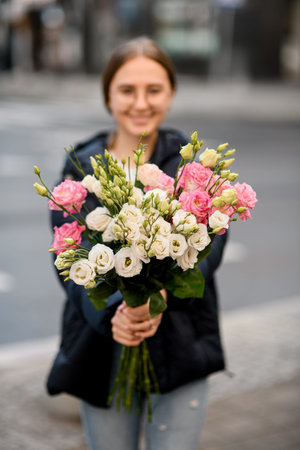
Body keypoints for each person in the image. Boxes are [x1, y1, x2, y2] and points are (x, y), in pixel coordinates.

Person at [47, 36, 227, 450]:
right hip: (101, 347)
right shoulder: (80, 165)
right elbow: (66, 253)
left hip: (181, 345)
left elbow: (211, 247)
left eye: (154, 90)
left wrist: (159, 296)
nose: (141, 103)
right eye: (127, 90)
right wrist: (117, 313)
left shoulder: (193, 167)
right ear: (108, 95)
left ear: (172, 93)